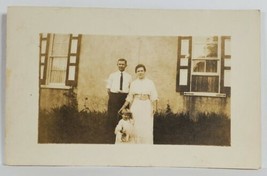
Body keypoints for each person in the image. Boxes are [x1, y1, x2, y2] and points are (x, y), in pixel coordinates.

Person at [119, 64, 158, 144]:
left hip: (146, 106)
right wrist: (123, 107)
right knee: (136, 125)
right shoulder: (133, 83)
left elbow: (154, 96)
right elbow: (129, 97)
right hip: (136, 106)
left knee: (147, 126)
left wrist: (155, 108)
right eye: (138, 71)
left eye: (142, 71)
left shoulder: (150, 82)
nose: (140, 72)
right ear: (136, 73)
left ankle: (146, 145)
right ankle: (135, 145)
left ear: (144, 71)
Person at [106, 58, 132, 130]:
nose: (121, 66)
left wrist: (126, 97)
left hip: (124, 97)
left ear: (126, 65)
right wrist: (113, 97)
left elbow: (131, 88)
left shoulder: (129, 76)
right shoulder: (112, 75)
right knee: (112, 115)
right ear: (117, 65)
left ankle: (123, 130)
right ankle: (111, 131)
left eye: (123, 64)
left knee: (124, 115)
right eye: (119, 64)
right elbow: (108, 89)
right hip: (114, 96)